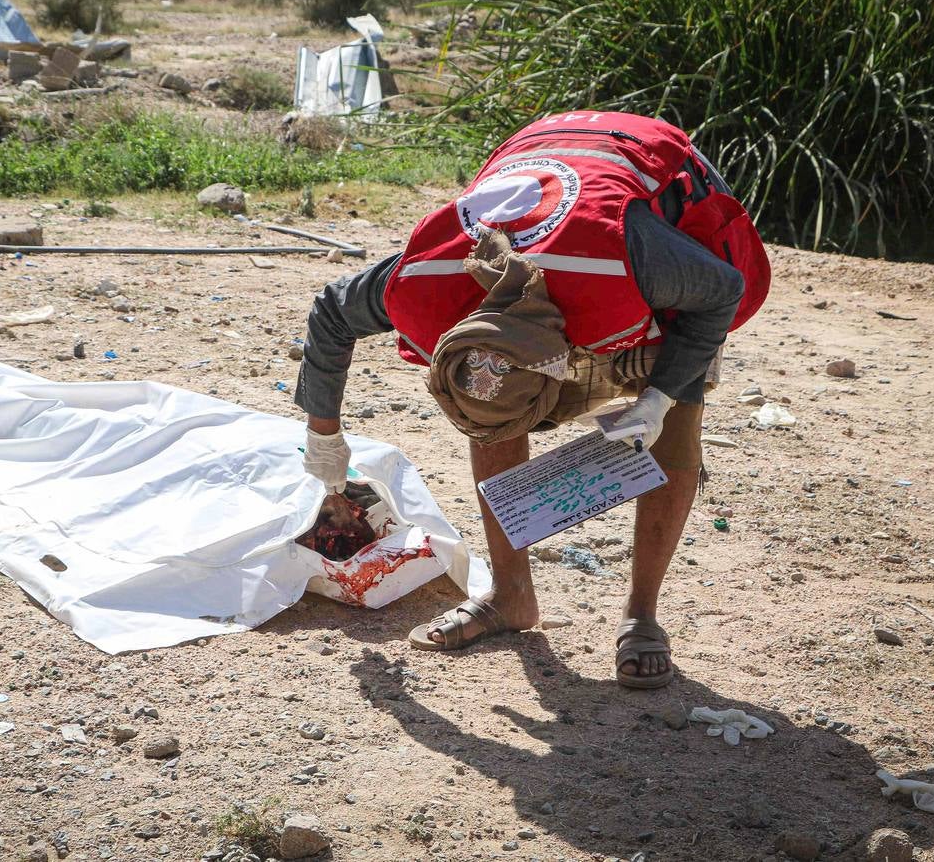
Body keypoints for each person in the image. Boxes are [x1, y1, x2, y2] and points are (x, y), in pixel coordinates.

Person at [295, 110, 770, 689]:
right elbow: (330, 312)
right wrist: (324, 438)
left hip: (648, 228)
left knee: (674, 414)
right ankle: (511, 596)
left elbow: (721, 290)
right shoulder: (426, 281)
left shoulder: (629, 264)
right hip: (553, 205)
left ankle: (641, 616)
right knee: (490, 399)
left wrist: (662, 397)